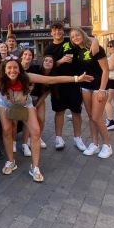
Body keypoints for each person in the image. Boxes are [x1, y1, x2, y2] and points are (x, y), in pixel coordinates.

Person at [0, 56, 93, 182]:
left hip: (25, 104)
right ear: (4, 69)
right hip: (5, 104)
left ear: (20, 69)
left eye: (15, 68)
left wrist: (77, 78)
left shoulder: (27, 77)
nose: (12, 71)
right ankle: (10, 161)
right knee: (7, 130)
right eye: (9, 68)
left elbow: (51, 80)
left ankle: (35, 167)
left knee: (36, 131)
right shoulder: (0, 78)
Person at [43, 22, 99, 151]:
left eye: (60, 30)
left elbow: (85, 38)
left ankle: (78, 138)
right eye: (55, 30)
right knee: (59, 111)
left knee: (76, 111)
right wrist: (60, 61)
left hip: (75, 82)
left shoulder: (71, 41)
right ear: (51, 33)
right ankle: (58, 138)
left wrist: (95, 40)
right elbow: (46, 66)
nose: (57, 32)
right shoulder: (49, 48)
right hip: (57, 84)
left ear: (63, 31)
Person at [71, 28, 112, 158]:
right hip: (85, 87)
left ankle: (107, 145)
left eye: (77, 35)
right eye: (72, 37)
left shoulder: (96, 48)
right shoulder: (77, 50)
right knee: (90, 117)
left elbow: (106, 70)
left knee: (96, 117)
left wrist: (102, 90)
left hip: (98, 87)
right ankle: (95, 144)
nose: (75, 38)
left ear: (83, 35)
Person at [21, 53, 54, 156]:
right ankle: (25, 143)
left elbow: (46, 93)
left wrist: (37, 105)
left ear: (53, 64)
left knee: (41, 118)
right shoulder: (35, 69)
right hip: (28, 97)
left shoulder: (53, 75)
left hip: (39, 98)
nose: (48, 63)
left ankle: (36, 137)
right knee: (29, 121)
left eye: (51, 61)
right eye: (46, 60)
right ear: (42, 61)